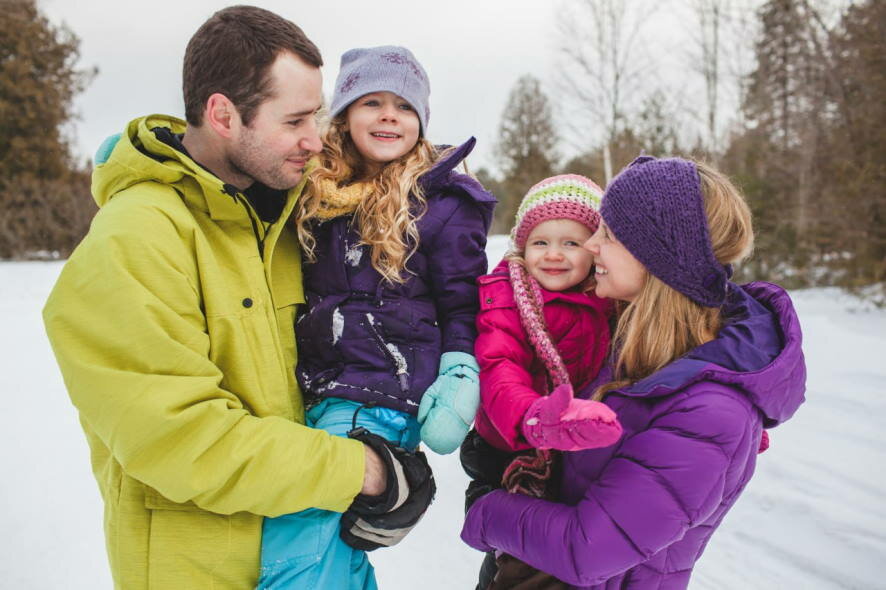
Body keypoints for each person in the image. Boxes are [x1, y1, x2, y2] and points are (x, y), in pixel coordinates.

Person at [42, 7, 428, 589]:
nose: (314, 138)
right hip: (205, 572)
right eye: (295, 119)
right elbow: (180, 438)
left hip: (315, 558)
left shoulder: (296, 222)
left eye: (317, 116)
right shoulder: (134, 240)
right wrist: (365, 471)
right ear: (223, 114)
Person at [461, 156, 807, 589]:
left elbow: (587, 548)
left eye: (606, 234)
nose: (589, 246)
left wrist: (485, 512)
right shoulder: (628, 339)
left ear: (655, 256)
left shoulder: (712, 410)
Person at [257, 46, 495, 588]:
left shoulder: (442, 204)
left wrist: (461, 370)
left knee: (301, 535)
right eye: (372, 102)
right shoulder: (314, 194)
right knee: (337, 545)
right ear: (341, 115)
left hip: (381, 392)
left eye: (405, 106)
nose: (390, 115)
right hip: (318, 388)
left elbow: (463, 298)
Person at [461, 174, 623, 589]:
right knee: (520, 560)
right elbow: (499, 368)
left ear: (594, 250)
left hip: (574, 449)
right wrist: (533, 416)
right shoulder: (507, 298)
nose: (554, 255)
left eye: (571, 242)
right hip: (510, 450)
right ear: (522, 246)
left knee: (572, 556)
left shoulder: (609, 300)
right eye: (540, 242)